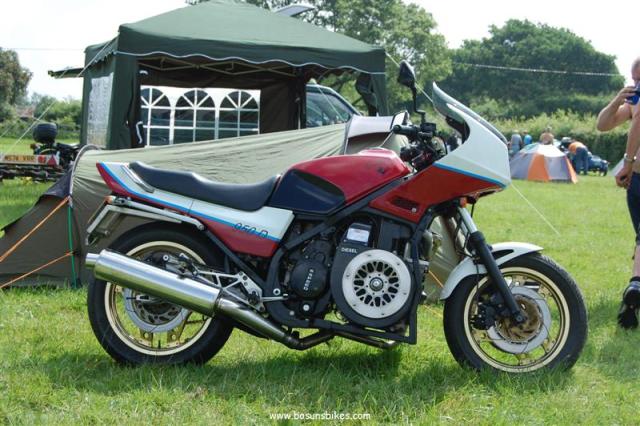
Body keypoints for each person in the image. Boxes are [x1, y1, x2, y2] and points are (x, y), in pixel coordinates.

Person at [596, 57, 640, 328]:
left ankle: (635, 286)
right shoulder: (634, 102)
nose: (636, 84)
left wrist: (628, 161)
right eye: (634, 78)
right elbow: (602, 125)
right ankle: (635, 290)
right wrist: (617, 101)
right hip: (636, 180)